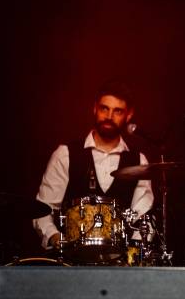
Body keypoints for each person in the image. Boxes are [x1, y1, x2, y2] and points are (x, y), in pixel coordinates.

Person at [32, 80, 154, 254]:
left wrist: (133, 253)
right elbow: (42, 209)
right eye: (104, 108)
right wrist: (55, 237)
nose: (109, 116)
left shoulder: (139, 161)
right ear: (95, 108)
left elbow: (143, 218)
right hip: (70, 260)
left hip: (120, 262)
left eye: (117, 111)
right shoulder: (65, 154)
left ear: (129, 115)